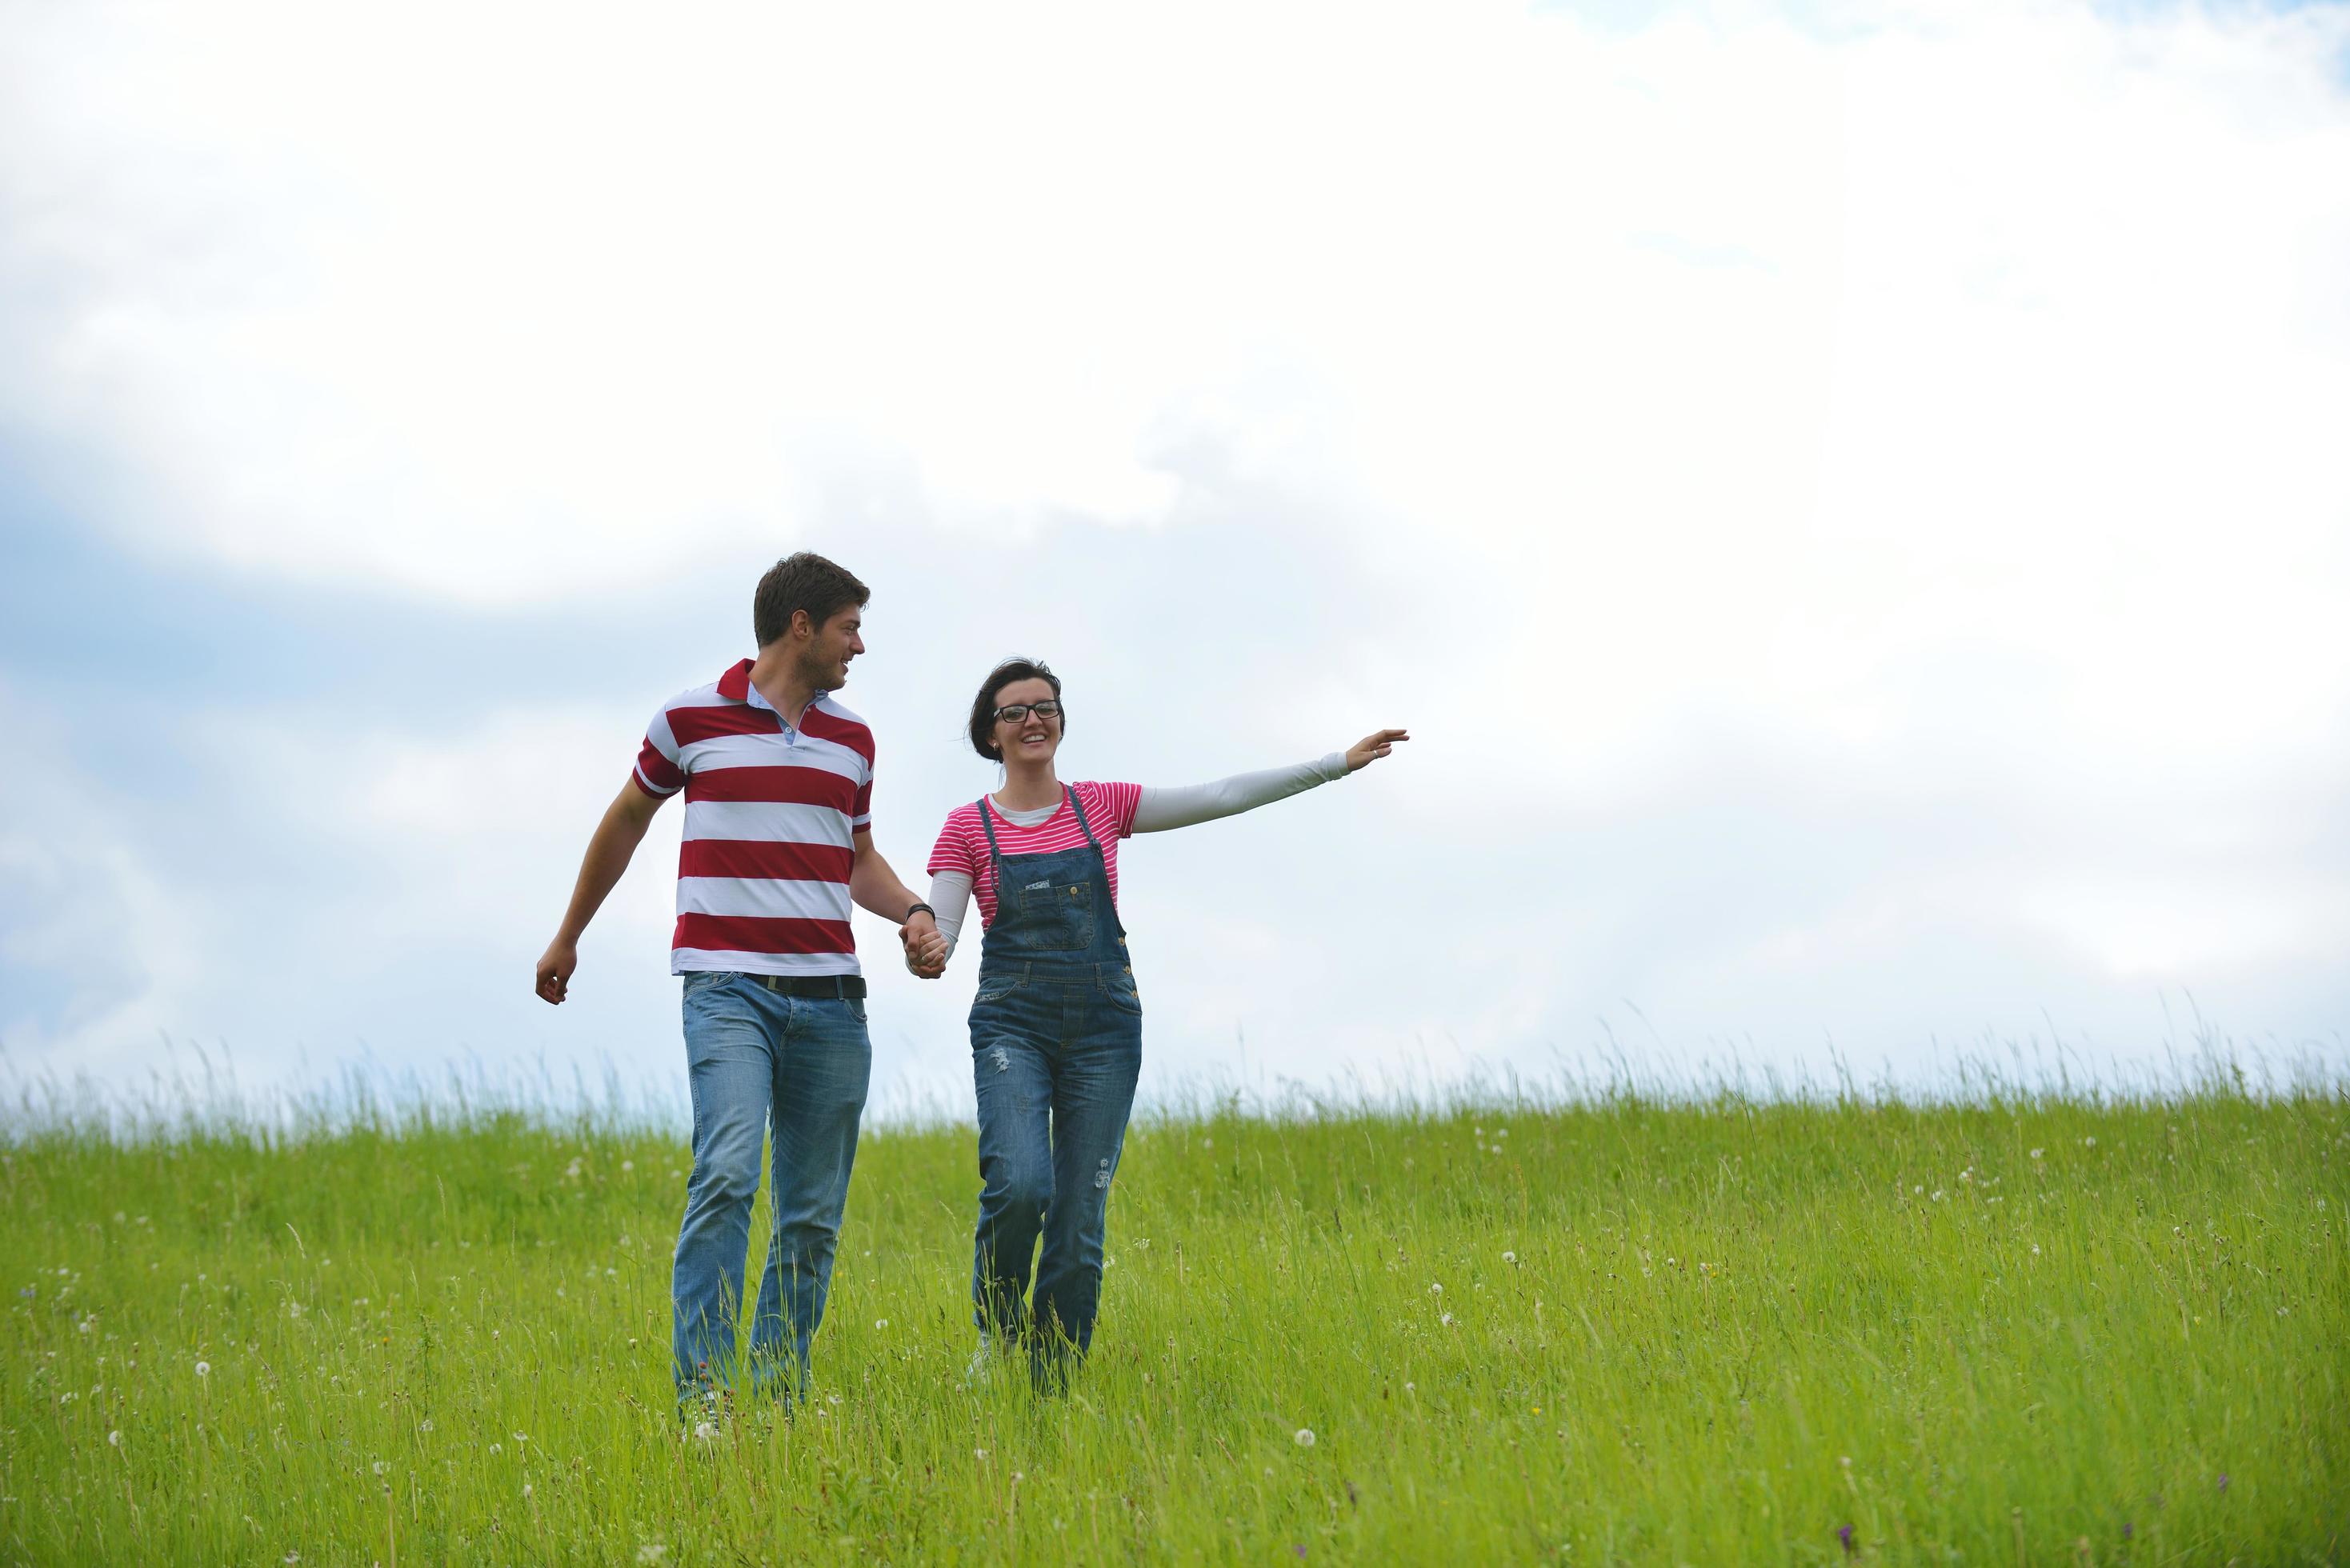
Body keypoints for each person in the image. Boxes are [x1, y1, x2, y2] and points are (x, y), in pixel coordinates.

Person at [533, 552, 945, 1418]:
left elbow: (857, 861)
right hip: (727, 991)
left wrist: (910, 911)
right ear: (802, 625)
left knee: (813, 1216)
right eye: (849, 627)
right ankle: (707, 1403)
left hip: (832, 1002)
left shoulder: (853, 740)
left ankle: (778, 1396)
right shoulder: (690, 718)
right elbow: (628, 819)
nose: (859, 647)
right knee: (725, 1170)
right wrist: (571, 934)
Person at [918, 656, 1406, 1386]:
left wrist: (1336, 763)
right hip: (1011, 1025)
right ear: (989, 734)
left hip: (1103, 1030)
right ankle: (996, 1334)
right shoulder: (967, 828)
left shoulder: (1103, 805)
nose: (1032, 719)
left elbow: (1221, 795)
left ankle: (1054, 1384)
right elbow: (941, 942)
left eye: (1045, 706)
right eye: (1014, 710)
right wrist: (926, 947)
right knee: (1019, 1185)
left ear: (1060, 721)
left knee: (1079, 1217)